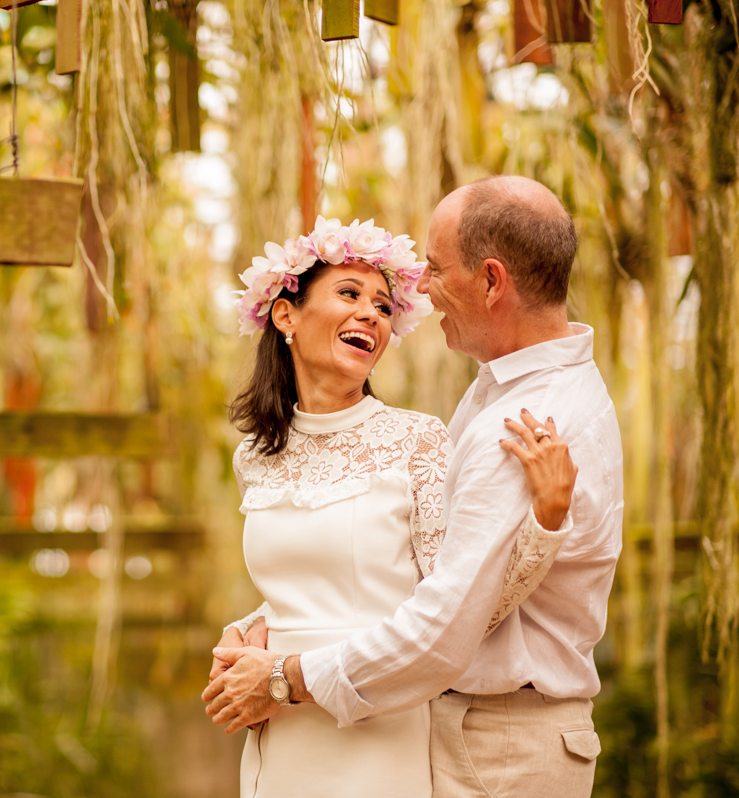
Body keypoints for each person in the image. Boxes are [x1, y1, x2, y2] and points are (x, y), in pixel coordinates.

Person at [204, 176, 622, 798]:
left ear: (490, 280)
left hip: (420, 725)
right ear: (284, 312)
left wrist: (545, 526)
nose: (411, 295)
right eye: (349, 293)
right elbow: (367, 580)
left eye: (430, 271)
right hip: (302, 722)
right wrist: (252, 629)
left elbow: (455, 609)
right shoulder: (490, 392)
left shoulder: (474, 428)